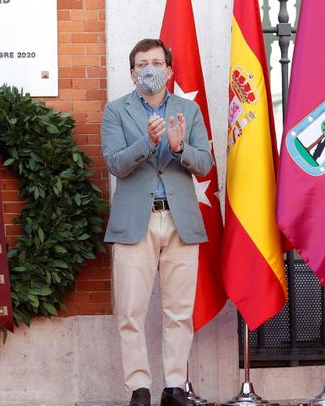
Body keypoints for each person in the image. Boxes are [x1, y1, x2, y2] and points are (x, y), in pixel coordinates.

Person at [101, 39, 214, 406]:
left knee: (179, 311)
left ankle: (175, 386)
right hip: (136, 222)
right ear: (132, 73)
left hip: (180, 219)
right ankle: (139, 387)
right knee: (131, 310)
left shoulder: (188, 109)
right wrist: (148, 143)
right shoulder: (115, 111)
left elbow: (206, 164)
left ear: (169, 69)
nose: (149, 69)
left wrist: (179, 148)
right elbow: (116, 164)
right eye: (141, 64)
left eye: (156, 62)